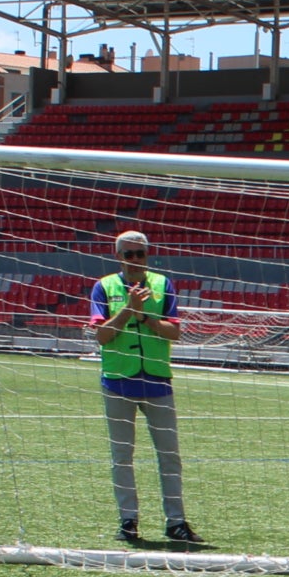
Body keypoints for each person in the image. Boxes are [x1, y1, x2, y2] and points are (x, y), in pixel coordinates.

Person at [88, 230, 198, 545]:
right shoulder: (103, 287)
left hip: (157, 380)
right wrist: (128, 310)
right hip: (118, 381)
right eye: (129, 254)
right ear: (118, 256)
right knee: (122, 456)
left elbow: (174, 332)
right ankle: (128, 521)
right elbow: (102, 336)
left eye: (141, 254)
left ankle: (176, 522)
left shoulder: (163, 285)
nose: (135, 260)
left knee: (170, 456)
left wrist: (145, 317)